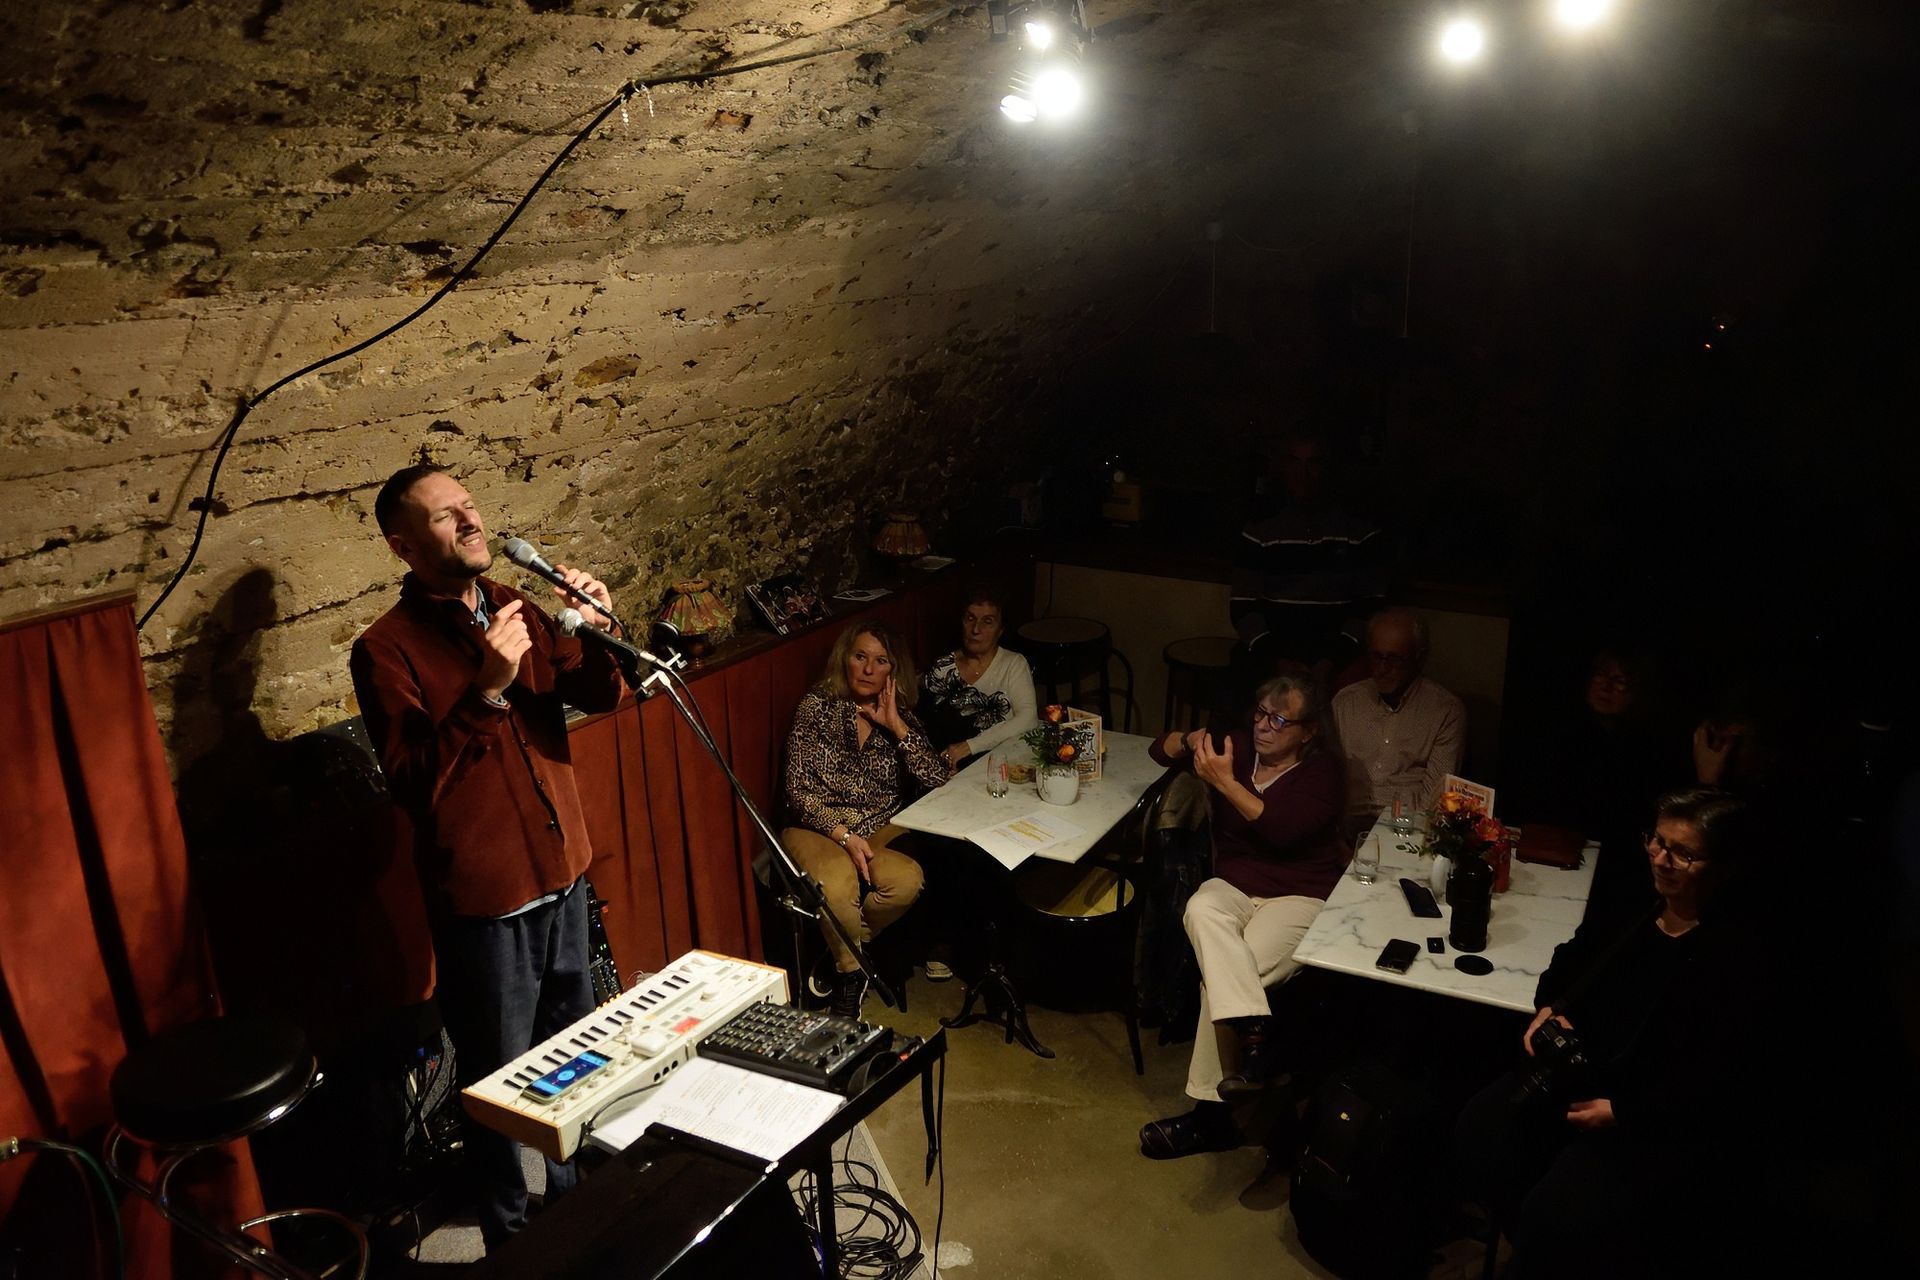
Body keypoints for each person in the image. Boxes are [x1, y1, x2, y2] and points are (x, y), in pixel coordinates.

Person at [348, 463, 627, 1251]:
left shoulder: (516, 604)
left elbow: (602, 695)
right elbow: (411, 782)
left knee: (576, 1059)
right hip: (487, 902)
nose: (470, 520)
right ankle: (512, 1235)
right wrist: (486, 692)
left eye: (469, 505)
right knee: (499, 1079)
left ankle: (574, 1201)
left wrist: (592, 627)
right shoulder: (386, 649)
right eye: (445, 515)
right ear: (404, 545)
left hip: (563, 871)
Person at [1453, 788, 1771, 1278]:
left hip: (1646, 1110)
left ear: (1723, 865)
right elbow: (1568, 959)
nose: (1660, 859)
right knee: (1480, 1132)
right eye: (1657, 841)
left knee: (1558, 1213)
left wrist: (1625, 1111)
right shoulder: (1637, 904)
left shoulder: (1736, 951)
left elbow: (1717, 1074)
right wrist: (1549, 1007)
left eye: (1682, 853)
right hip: (1577, 1071)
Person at [1138, 673, 1346, 1160]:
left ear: (1309, 731)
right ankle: (1256, 1043)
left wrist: (1224, 783)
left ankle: (1209, 1118)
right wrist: (1187, 740)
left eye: (1280, 720)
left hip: (1299, 896)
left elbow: (1282, 830)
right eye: (1261, 714)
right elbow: (1156, 750)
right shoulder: (1238, 748)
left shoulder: (1323, 773)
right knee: (1200, 906)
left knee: (1225, 973)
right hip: (1233, 886)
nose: (1264, 726)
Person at [782, 622, 951, 1016]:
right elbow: (796, 791)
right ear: (846, 659)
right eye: (860, 657)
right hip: (819, 825)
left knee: (906, 881)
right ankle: (850, 978)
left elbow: (939, 780)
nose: (869, 669)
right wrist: (843, 836)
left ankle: (846, 950)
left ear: (894, 670)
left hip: (878, 827)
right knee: (837, 885)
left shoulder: (899, 716)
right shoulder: (816, 706)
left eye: (881, 661)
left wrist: (896, 726)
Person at [1330, 607, 1465, 834]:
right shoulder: (1346, 701)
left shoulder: (1445, 711)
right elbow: (1324, 774)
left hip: (1405, 828)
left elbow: (1436, 800)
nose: (1382, 668)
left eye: (1394, 659)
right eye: (1376, 657)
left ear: (1419, 658)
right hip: (1345, 825)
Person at [917, 587, 1039, 768]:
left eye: (987, 622)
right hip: (949, 770)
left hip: (1000, 767)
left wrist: (970, 746)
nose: (975, 629)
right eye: (970, 618)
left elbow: (1028, 718)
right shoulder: (943, 667)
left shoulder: (1013, 664)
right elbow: (924, 728)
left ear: (1000, 630)